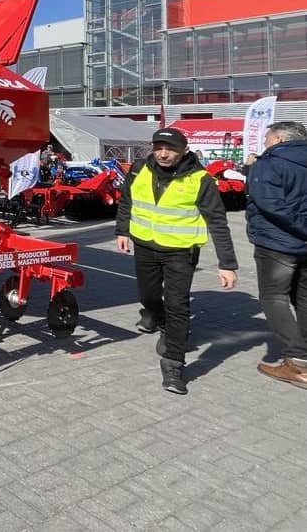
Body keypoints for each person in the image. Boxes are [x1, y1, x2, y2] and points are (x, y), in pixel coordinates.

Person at [116, 127, 238, 395]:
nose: (163, 153)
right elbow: (127, 201)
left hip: (181, 252)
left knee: (177, 305)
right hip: (145, 245)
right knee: (148, 297)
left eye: (170, 149)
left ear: (184, 151)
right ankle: (159, 321)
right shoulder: (138, 169)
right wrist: (122, 230)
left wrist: (227, 263)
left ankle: (173, 364)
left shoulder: (200, 179)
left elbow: (217, 221)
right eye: (158, 147)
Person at [244, 121, 307, 388]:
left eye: (268, 137)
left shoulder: (269, 164)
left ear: (279, 139)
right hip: (302, 244)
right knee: (303, 298)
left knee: (274, 296)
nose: (265, 142)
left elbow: (271, 205)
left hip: (278, 243)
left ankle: (298, 361)